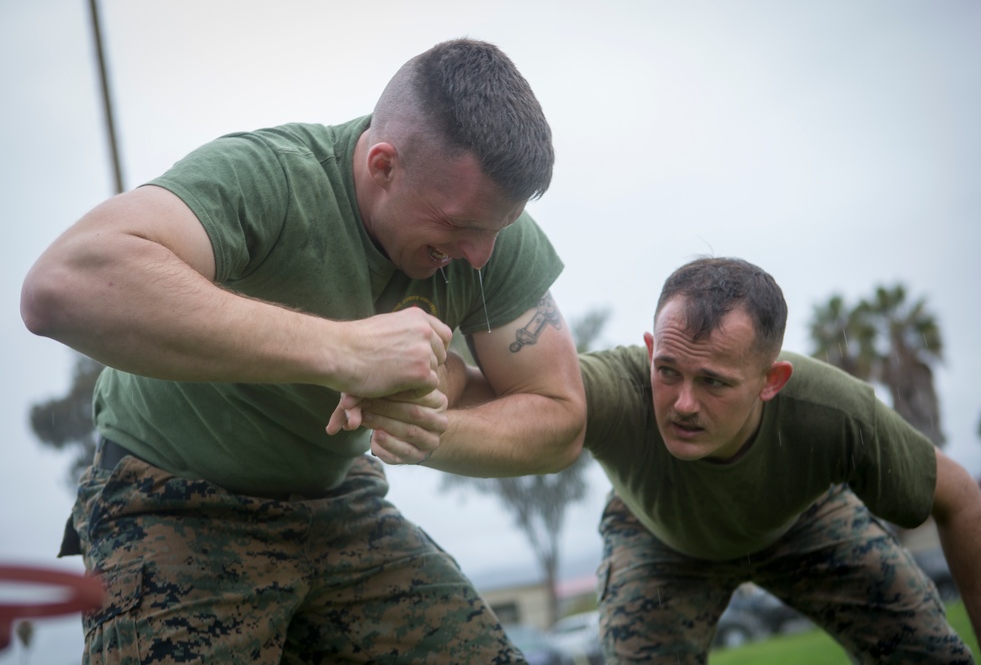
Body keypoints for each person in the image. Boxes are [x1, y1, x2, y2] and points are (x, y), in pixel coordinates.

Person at [20, 38, 585, 663]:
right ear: (383, 165)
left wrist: (429, 426)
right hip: (172, 498)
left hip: (340, 500)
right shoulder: (270, 176)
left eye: (496, 230)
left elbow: (558, 418)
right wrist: (343, 350)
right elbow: (60, 286)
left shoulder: (488, 227)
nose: (480, 255)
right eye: (459, 227)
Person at [578, 257, 981, 664]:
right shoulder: (616, 388)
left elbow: (960, 495)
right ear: (651, 350)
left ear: (771, 381)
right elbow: (528, 389)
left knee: (927, 653)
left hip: (805, 518)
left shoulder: (832, 411)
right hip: (655, 532)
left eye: (713, 381)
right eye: (668, 371)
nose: (684, 404)